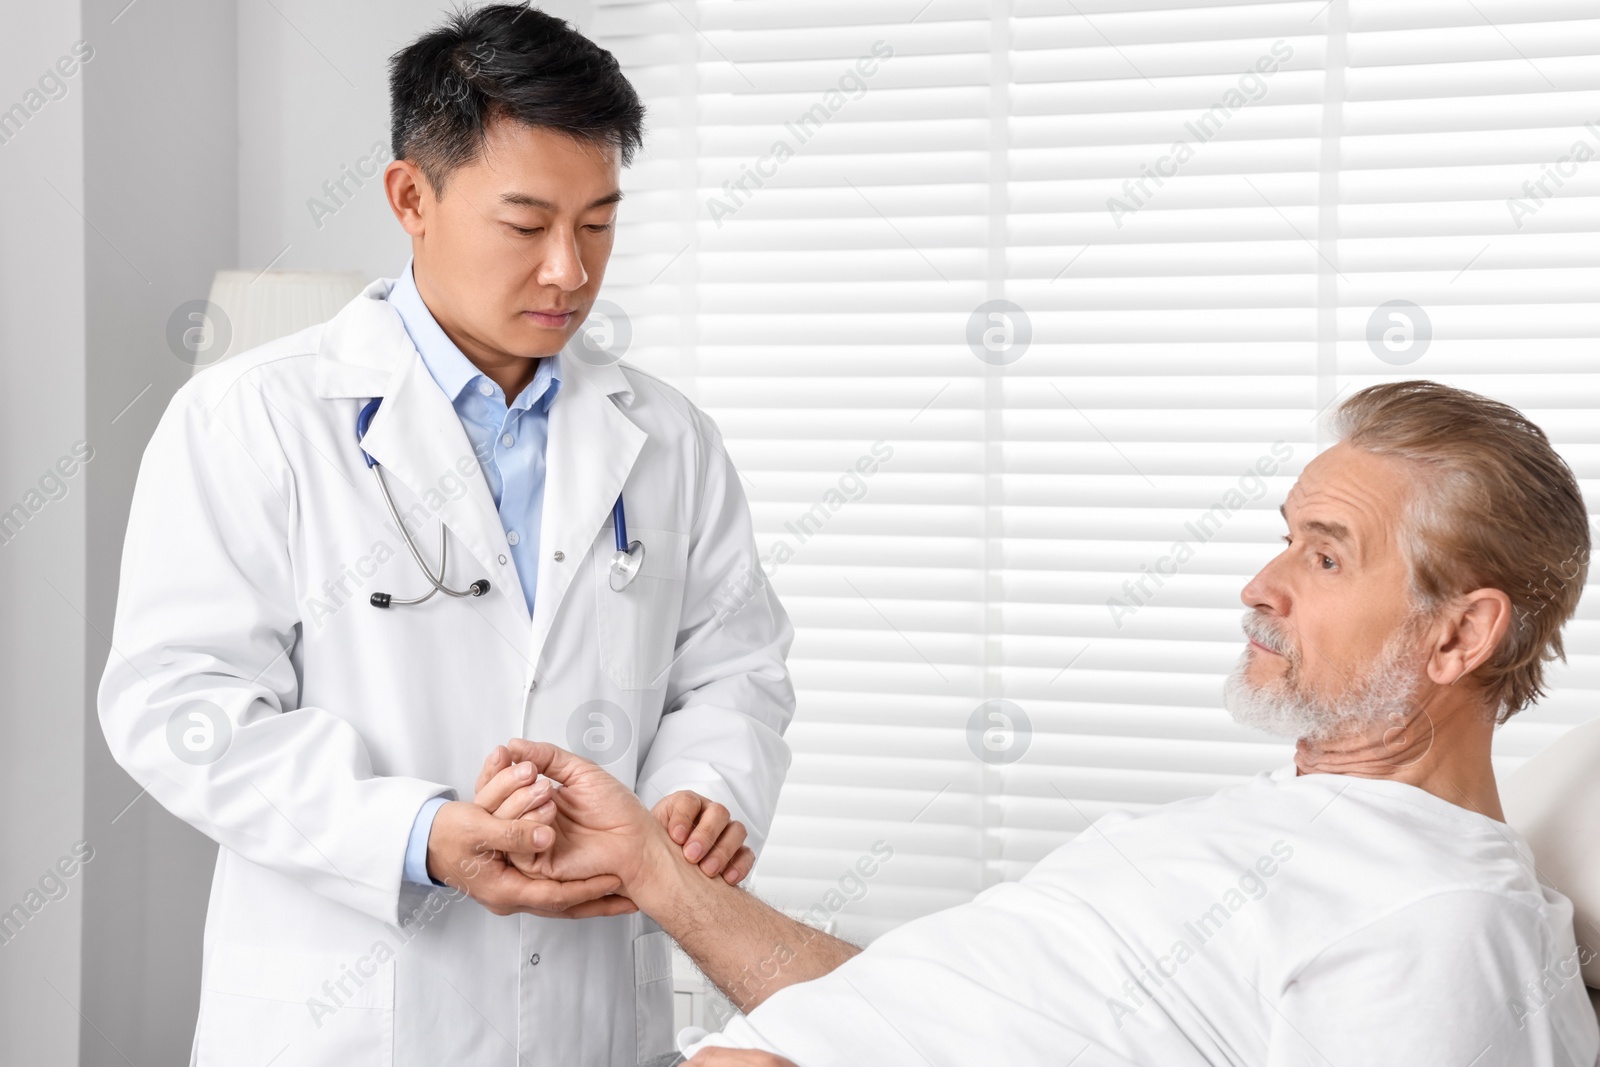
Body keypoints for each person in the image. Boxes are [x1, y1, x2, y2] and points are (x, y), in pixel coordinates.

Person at [472, 381, 1599, 1066]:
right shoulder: (1260, 831)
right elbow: (906, 1008)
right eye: (1283, 537)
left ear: (1458, 636)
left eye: (1323, 553)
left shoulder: (1443, 919)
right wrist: (659, 872)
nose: (1261, 583)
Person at [96, 7, 794, 1064]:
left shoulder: (666, 437)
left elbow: (735, 670)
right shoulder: (253, 418)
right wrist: (419, 834)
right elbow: (175, 705)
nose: (569, 270)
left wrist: (701, 794)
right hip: (351, 1010)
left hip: (591, 1011)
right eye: (526, 224)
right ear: (411, 197)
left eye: (598, 223)